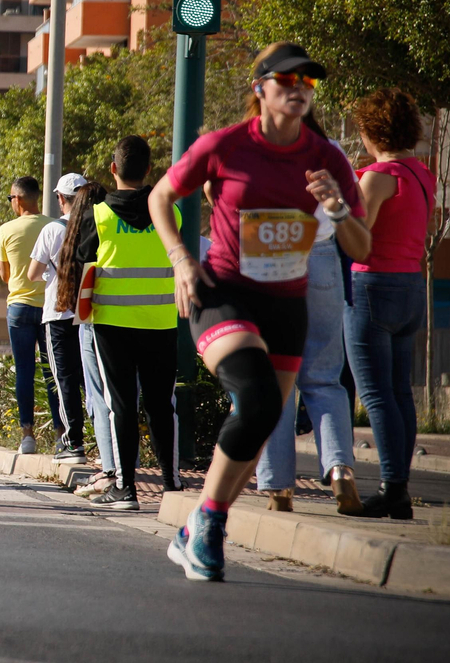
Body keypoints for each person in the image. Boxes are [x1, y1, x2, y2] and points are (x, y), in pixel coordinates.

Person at [151, 43, 369, 580]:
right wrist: (181, 259)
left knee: (266, 413)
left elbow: (362, 248)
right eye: (287, 80)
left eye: (308, 83)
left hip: (285, 303)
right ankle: (207, 525)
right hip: (221, 291)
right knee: (257, 396)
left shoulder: (326, 157)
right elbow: (161, 196)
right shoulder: (224, 145)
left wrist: (337, 208)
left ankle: (201, 524)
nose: (298, 90)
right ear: (260, 88)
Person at [255, 109, 365, 514]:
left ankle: (279, 488)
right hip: (321, 258)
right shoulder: (332, 152)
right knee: (325, 377)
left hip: (271, 259)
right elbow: (353, 211)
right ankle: (340, 470)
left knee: (274, 381)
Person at [63, 139, 181, 509]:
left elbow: (82, 262)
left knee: (122, 405)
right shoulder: (171, 214)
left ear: (113, 169)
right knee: (162, 404)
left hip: (112, 322)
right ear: (149, 170)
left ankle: (126, 489)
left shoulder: (97, 215)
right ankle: (172, 484)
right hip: (161, 321)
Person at [346, 88, 433, 520]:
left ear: (370, 130)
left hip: (371, 287)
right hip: (411, 286)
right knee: (401, 392)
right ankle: (400, 485)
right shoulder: (422, 174)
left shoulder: (376, 178)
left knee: (376, 395)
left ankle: (390, 487)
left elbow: (358, 241)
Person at [28, 173, 93, 465]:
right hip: (90, 312)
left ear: (60, 199)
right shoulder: (96, 226)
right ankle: (106, 445)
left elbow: (32, 273)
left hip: (58, 313)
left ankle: (73, 442)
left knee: (64, 378)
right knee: (90, 379)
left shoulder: (52, 230)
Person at [0, 175, 61, 454]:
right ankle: (61, 435)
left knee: (24, 369)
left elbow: (5, 274)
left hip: (19, 307)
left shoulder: (6, 230)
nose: (11, 203)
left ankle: (27, 435)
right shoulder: (55, 226)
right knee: (52, 371)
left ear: (18, 199)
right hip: (50, 306)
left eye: (10, 198)